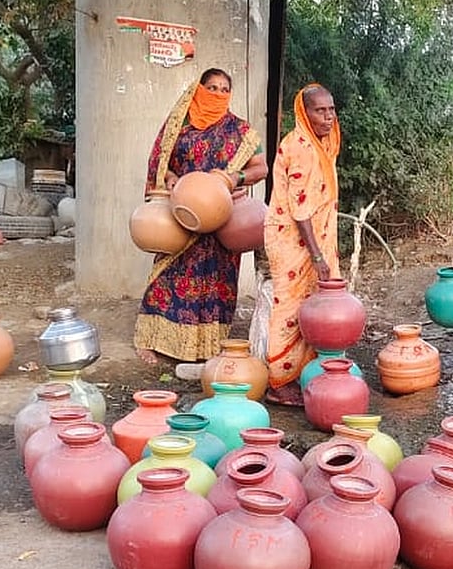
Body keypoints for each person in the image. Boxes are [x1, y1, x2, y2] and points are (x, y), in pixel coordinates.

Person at [135, 68, 269, 365]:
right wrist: (170, 179)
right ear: (199, 90)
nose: (218, 94)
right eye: (212, 87)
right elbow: (162, 163)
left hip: (222, 217)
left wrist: (235, 178)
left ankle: (208, 348)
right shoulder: (178, 127)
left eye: (224, 89)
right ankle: (153, 340)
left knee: (216, 282)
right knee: (168, 275)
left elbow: (261, 168)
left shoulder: (240, 131)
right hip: (182, 215)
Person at [264, 84, 341, 406]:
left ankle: (306, 372)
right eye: (320, 111)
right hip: (291, 239)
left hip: (316, 238)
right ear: (304, 113)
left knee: (314, 304)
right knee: (290, 308)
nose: (328, 117)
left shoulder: (323, 143)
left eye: (331, 109)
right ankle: (279, 381)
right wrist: (317, 256)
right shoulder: (300, 147)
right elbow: (300, 210)